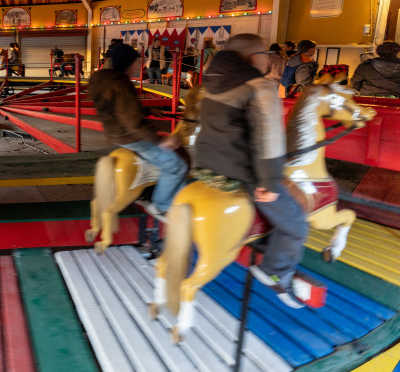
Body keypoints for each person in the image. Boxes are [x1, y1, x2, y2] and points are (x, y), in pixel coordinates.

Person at [196, 33, 307, 309]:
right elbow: (268, 139)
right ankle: (275, 271)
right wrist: (268, 182)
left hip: (204, 162)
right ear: (252, 57)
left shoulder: (210, 81)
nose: (267, 61)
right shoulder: (260, 87)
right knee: (295, 222)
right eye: (265, 56)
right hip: (240, 168)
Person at [88, 44, 186, 220]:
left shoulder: (103, 79)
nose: (138, 66)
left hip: (114, 133)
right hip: (129, 136)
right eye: (137, 62)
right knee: (177, 166)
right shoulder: (121, 83)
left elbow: (120, 108)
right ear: (129, 63)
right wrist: (161, 141)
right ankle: (161, 206)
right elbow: (132, 122)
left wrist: (148, 111)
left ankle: (146, 191)